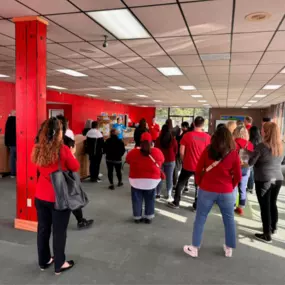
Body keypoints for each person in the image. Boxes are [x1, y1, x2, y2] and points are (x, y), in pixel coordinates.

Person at [183, 127, 241, 258]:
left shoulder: (208, 150)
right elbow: (237, 175)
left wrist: (199, 182)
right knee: (229, 220)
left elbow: (198, 169)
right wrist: (231, 186)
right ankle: (229, 248)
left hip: (207, 189)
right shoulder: (233, 154)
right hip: (226, 191)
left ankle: (194, 247)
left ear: (214, 137)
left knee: (200, 218)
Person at [32, 118, 78, 275]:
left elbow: (39, 167)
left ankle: (44, 261)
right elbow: (75, 167)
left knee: (43, 230)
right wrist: (72, 153)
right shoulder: (63, 149)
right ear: (59, 132)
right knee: (59, 232)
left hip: (40, 195)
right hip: (59, 197)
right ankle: (59, 264)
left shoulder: (38, 148)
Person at [56, 115, 94, 230]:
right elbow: (73, 161)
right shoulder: (67, 137)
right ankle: (80, 221)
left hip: (52, 174)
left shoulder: (47, 143)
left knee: (57, 196)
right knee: (73, 195)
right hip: (66, 171)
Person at [249, 122, 283, 243]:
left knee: (265, 206)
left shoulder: (261, 146)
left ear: (266, 132)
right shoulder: (282, 145)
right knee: (272, 203)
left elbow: (250, 162)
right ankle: (273, 227)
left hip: (264, 179)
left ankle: (266, 234)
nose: (261, 131)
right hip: (278, 178)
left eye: (263, 129)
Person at [168, 116, 211, 210]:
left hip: (188, 164)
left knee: (180, 184)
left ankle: (176, 202)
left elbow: (181, 151)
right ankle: (197, 205)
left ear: (193, 124)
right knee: (199, 186)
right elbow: (209, 153)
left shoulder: (187, 135)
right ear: (203, 125)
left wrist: (184, 160)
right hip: (201, 166)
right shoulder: (207, 137)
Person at [126, 132, 164, 224]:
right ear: (151, 142)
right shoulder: (157, 151)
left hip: (135, 180)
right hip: (151, 181)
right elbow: (162, 161)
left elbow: (127, 160)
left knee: (136, 199)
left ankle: (137, 217)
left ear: (140, 142)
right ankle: (148, 216)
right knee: (150, 198)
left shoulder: (133, 152)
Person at [233, 126, 254, 215]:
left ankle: (233, 205)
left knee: (233, 188)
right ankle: (241, 207)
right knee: (243, 188)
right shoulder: (250, 144)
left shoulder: (233, 143)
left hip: (234, 168)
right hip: (245, 168)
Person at [155, 124, 178, 200]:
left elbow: (156, 150)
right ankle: (169, 195)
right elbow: (175, 151)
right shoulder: (173, 140)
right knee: (169, 178)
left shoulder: (158, 140)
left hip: (160, 161)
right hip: (171, 160)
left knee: (160, 177)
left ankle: (157, 194)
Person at [247, 126, 262, 194]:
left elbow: (249, 152)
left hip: (252, 160)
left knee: (250, 172)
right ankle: (251, 187)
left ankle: (250, 187)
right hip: (259, 160)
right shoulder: (260, 141)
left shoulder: (250, 142)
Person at [4, 110, 16, 177]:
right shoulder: (16, 121)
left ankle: (12, 173)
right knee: (18, 158)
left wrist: (7, 143)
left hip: (11, 143)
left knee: (12, 158)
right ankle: (17, 172)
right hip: (16, 142)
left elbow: (6, 133)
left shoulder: (8, 121)